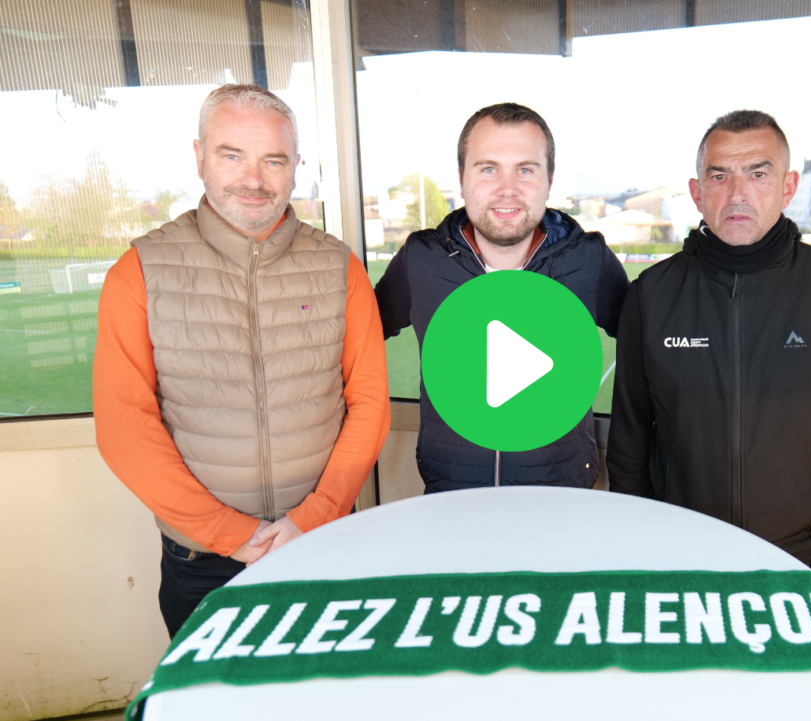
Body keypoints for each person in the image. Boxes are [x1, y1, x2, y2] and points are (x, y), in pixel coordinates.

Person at [93, 84, 391, 636]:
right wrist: (233, 535)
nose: (253, 180)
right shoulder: (138, 272)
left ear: (295, 168)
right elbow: (124, 427)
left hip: (324, 540)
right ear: (200, 156)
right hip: (201, 562)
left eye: (272, 160)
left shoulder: (338, 268)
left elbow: (369, 400)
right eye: (232, 155)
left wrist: (314, 516)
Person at [607, 110, 811, 591]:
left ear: (788, 186)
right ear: (698, 192)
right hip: (677, 555)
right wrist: (642, 541)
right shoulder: (652, 295)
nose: (737, 193)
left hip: (802, 562)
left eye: (758, 174)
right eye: (719, 176)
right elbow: (631, 439)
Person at [375, 103, 629, 491]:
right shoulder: (419, 260)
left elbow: (645, 344)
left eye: (525, 170)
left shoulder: (589, 260)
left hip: (561, 499)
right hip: (453, 497)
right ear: (462, 179)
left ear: (549, 180)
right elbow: (362, 336)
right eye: (488, 168)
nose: (507, 189)